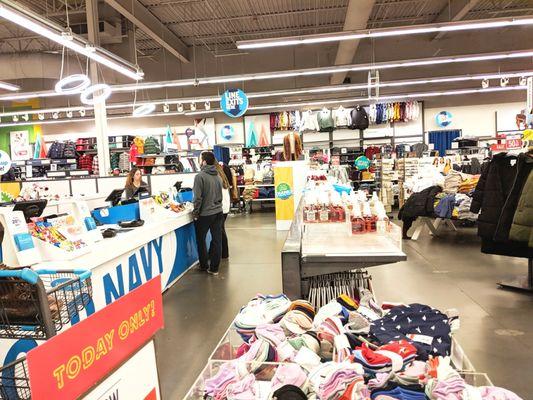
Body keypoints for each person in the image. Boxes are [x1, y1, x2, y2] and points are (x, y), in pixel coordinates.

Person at [193, 152, 223, 275]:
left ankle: (204, 265)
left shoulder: (200, 176)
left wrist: (195, 213)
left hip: (205, 214)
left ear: (204, 161)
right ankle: (214, 268)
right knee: (217, 240)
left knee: (201, 239)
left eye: (201, 159)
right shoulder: (218, 176)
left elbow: (197, 198)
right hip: (218, 211)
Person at [209, 162, 231, 259]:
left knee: (219, 231)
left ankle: (220, 253)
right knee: (221, 230)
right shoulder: (222, 176)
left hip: (220, 207)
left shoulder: (216, 177)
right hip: (225, 207)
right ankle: (224, 253)